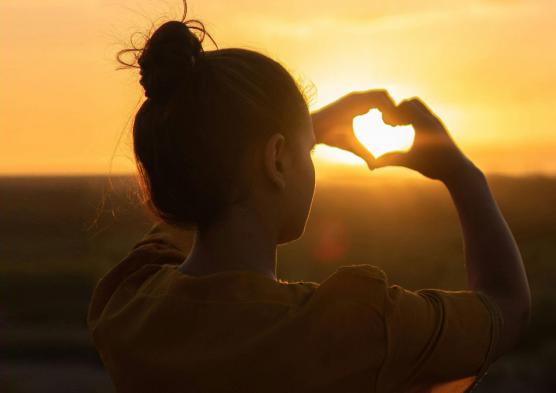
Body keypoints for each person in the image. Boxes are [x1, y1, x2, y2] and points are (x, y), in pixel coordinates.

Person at [87, 9, 531, 393]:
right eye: (306, 150)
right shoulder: (354, 328)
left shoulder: (127, 307)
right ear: (277, 159)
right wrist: (463, 175)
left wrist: (294, 132)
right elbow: (506, 307)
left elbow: (195, 194)